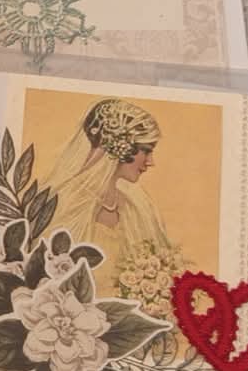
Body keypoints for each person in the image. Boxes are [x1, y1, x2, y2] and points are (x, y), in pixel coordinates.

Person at [44, 97, 176, 292]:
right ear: (121, 148)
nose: (150, 162)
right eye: (146, 151)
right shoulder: (66, 203)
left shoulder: (134, 208)